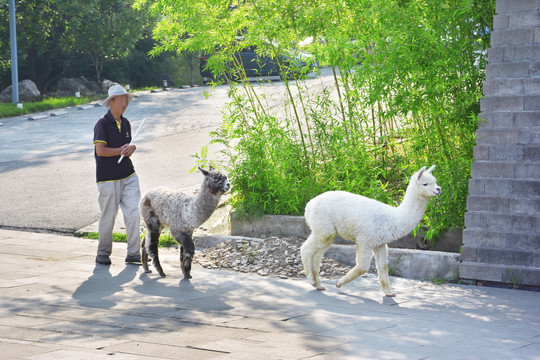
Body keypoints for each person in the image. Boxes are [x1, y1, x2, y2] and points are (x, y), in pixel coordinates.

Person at [93, 84, 141, 265]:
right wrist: (121, 151)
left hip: (128, 175)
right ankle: (103, 253)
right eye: (121, 99)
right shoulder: (102, 124)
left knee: (133, 213)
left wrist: (132, 148)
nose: (124, 102)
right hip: (107, 178)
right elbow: (101, 151)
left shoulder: (126, 123)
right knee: (108, 216)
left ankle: (134, 253)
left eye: (126, 99)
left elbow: (127, 147)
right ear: (111, 102)